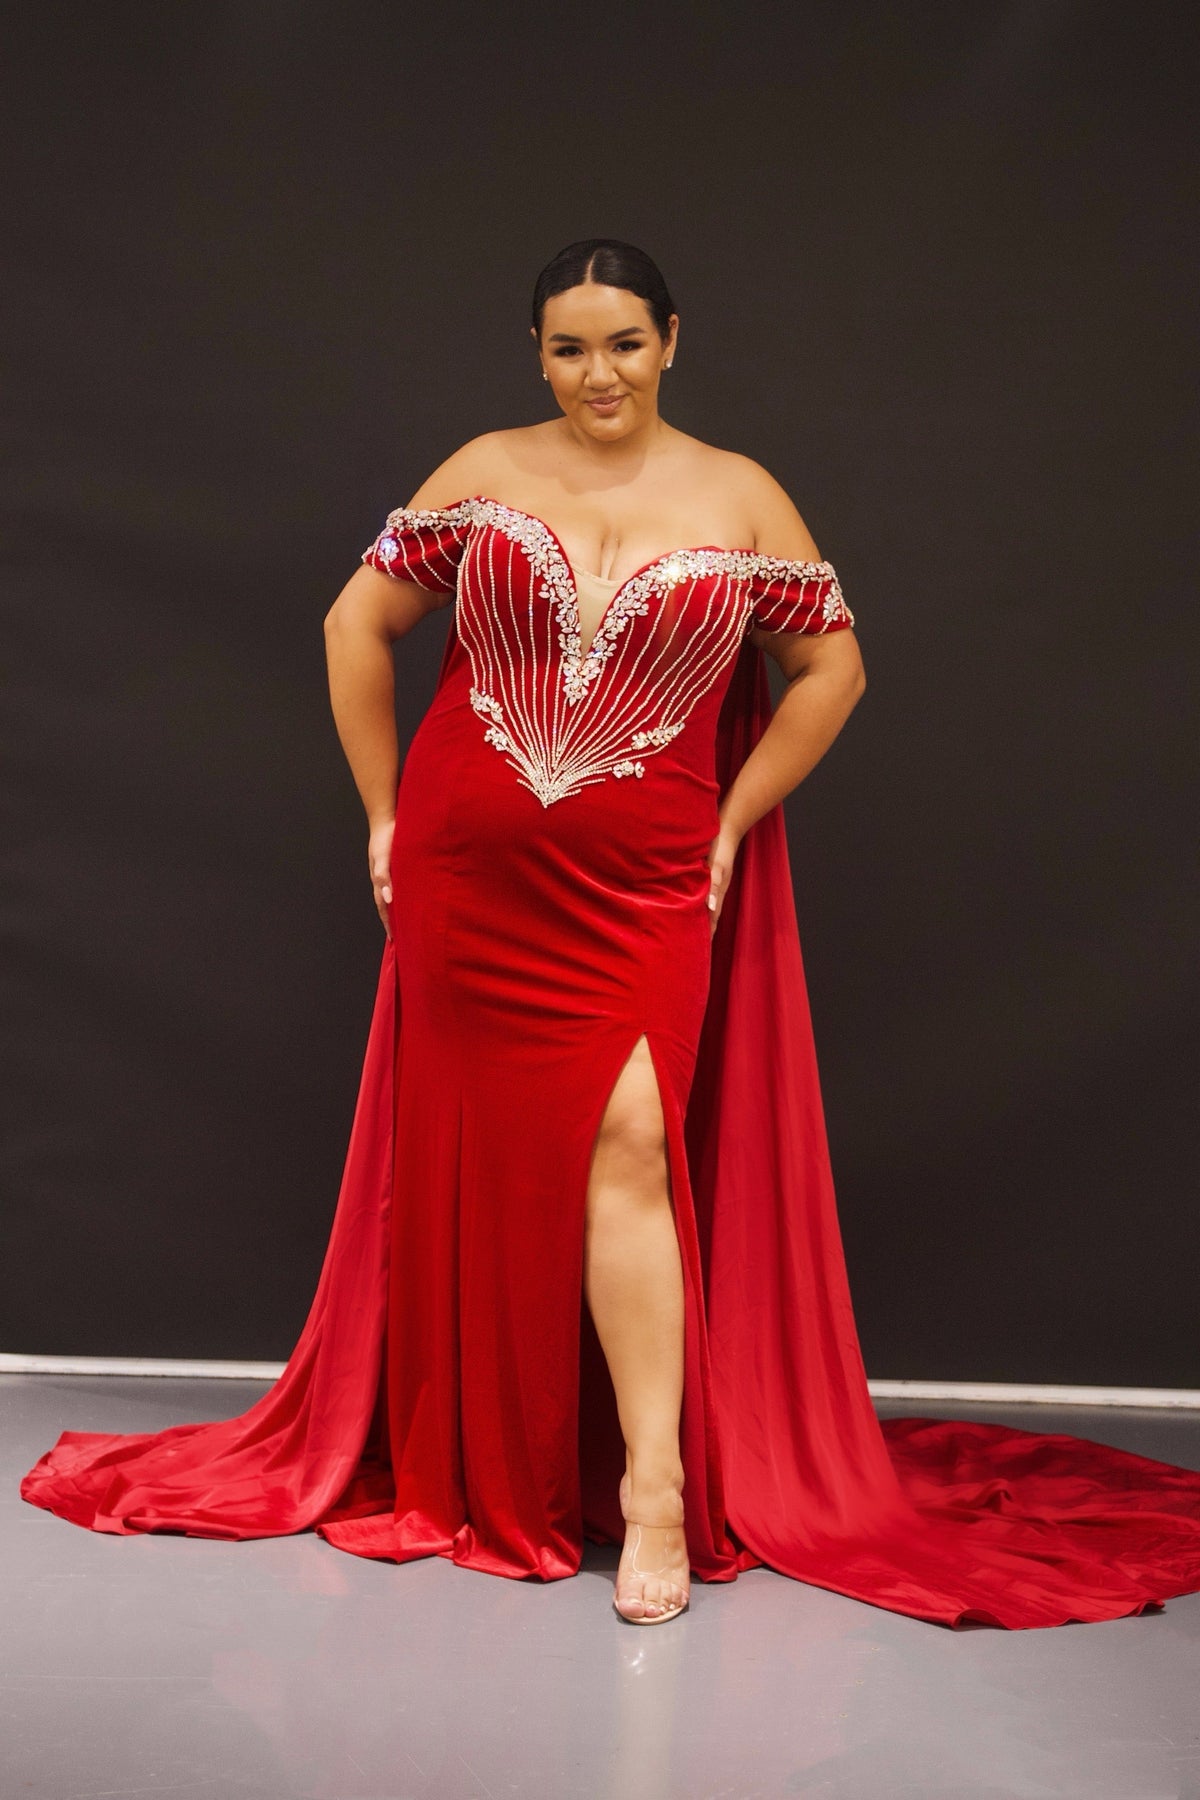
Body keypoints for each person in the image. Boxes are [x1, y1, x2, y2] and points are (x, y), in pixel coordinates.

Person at [21, 240, 1200, 1632]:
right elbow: (355, 625)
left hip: (640, 886)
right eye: (570, 348)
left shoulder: (740, 492)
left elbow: (833, 668)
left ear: (672, 341)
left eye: (626, 343)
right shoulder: (483, 470)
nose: (599, 375)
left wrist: (732, 822)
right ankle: (502, 1463)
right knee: (493, 1165)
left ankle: (652, 1489)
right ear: (537, 352)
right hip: (470, 876)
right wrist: (386, 814)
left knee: (633, 1142)